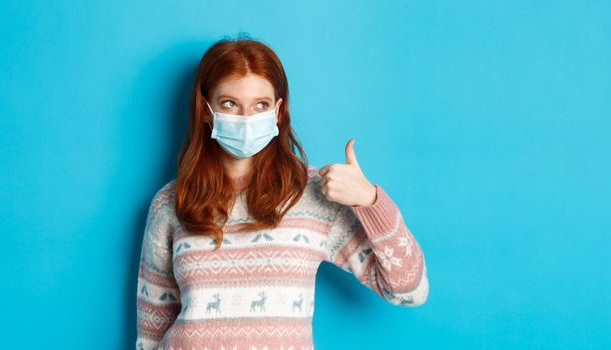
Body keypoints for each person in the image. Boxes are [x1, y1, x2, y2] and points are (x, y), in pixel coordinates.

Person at [135, 37, 429, 350]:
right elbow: (152, 325)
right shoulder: (171, 202)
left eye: (260, 105)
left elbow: (409, 290)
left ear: (277, 110)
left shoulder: (313, 195)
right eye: (230, 104)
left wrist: (371, 201)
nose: (247, 118)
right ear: (207, 110)